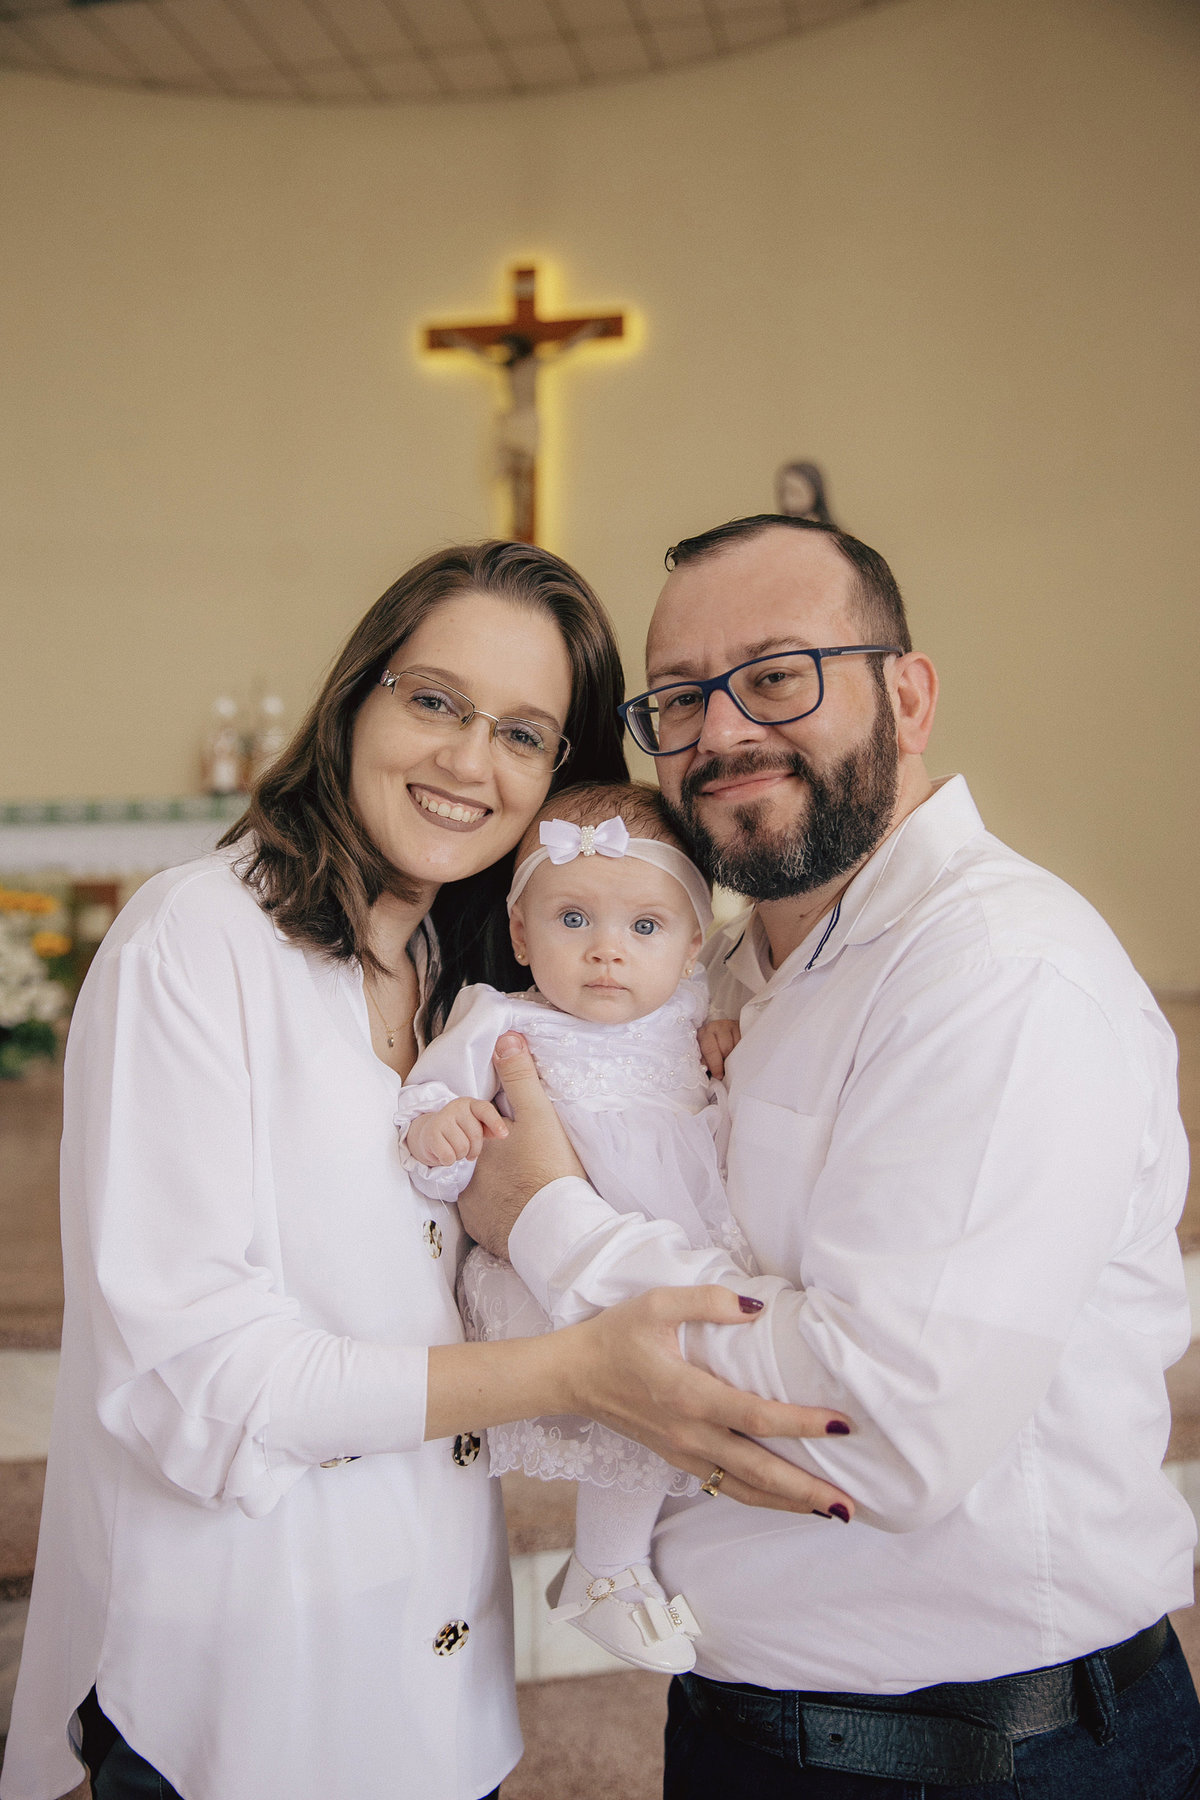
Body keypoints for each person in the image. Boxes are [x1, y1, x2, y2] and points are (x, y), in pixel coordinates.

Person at [0, 540, 854, 1800]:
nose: (469, 761)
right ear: (358, 698)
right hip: (248, 1687)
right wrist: (568, 1371)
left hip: (443, 1689)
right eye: (435, 701)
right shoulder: (196, 940)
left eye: (524, 733)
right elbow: (195, 1377)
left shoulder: (472, 982)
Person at [458, 516, 1200, 1799]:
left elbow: (879, 1430)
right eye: (681, 698)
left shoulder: (997, 976)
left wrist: (545, 1221)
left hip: (977, 1757)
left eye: (780, 673)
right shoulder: (725, 977)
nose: (725, 730)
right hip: (752, 1722)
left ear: (906, 696)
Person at [396, 779, 774, 1677]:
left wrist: (726, 1044)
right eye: (573, 921)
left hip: (659, 1245)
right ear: (522, 933)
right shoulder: (500, 1017)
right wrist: (441, 1135)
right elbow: (431, 1111)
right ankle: (607, 1570)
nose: (607, 952)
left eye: (644, 928)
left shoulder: (693, 1016)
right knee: (629, 1396)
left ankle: (609, 1567)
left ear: (690, 946)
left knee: (661, 1394)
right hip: (543, 1270)